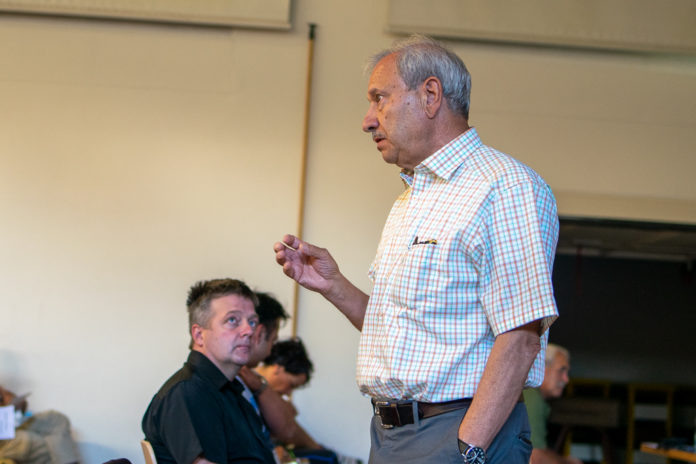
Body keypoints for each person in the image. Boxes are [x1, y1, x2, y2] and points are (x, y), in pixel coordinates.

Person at [274, 34, 559, 464]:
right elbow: (407, 333)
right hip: (393, 435)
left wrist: (468, 448)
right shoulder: (411, 199)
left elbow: (521, 337)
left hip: (455, 433)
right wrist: (334, 286)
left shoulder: (504, 187)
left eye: (379, 99)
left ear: (430, 95)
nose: (368, 121)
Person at [142, 278, 275, 464]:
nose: (248, 331)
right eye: (232, 320)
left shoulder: (231, 390)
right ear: (199, 335)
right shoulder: (188, 392)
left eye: (252, 322)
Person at [524, 344, 582, 464]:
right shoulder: (532, 397)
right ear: (541, 368)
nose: (566, 379)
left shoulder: (531, 394)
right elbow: (534, 456)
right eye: (561, 370)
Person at [0, 385, 79, 464]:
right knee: (28, 439)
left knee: (56, 418)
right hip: (3, 436)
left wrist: (18, 404)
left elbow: (16, 404)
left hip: (13, 424)